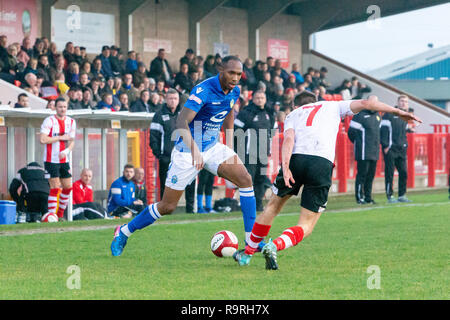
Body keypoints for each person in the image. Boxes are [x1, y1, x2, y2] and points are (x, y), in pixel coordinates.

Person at [233, 91, 421, 270]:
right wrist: (398, 111)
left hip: (296, 159)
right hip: (321, 163)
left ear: (295, 104)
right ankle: (275, 245)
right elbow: (366, 103)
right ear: (315, 100)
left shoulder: (293, 114)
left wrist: (286, 166)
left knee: (272, 207)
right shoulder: (333, 106)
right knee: (306, 224)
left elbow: (288, 139)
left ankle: (247, 254)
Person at [111, 55, 259, 256]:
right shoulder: (203, 91)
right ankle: (123, 231)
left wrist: (230, 146)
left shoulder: (235, 90)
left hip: (213, 147)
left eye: (238, 74)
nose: (235, 78)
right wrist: (195, 152)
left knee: (245, 179)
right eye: (231, 73)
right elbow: (181, 123)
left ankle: (251, 242)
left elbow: (229, 112)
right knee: (168, 206)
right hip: (187, 151)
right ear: (220, 69)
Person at [149, 89, 195, 210]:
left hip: (185, 156)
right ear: (166, 99)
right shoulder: (159, 115)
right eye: (170, 98)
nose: (173, 101)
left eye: (175, 98)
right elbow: (153, 137)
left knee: (190, 181)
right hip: (167, 158)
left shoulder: (185, 114)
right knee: (166, 185)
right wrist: (160, 155)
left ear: (178, 100)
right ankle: (164, 210)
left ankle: (190, 209)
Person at [234, 90, 277, 212]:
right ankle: (246, 205)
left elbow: (272, 132)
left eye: (262, 98)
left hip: (263, 153)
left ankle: (258, 205)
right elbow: (236, 132)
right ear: (253, 99)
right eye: (257, 98)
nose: (260, 100)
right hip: (249, 153)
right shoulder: (246, 113)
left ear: (265, 99)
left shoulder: (269, 113)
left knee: (261, 179)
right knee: (248, 180)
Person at [39, 98, 76, 221]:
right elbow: (43, 139)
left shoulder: (71, 122)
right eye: (60, 107)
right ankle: (52, 216)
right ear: (55, 107)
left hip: (64, 160)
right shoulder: (49, 121)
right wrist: (60, 138)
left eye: (64, 107)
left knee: (68, 187)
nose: (62, 109)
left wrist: (66, 151)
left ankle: (60, 214)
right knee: (55, 188)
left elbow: (71, 141)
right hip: (51, 160)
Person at [348, 96, 381, 204]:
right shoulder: (360, 116)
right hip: (363, 151)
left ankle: (368, 197)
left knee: (370, 176)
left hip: (374, 151)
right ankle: (359, 197)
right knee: (362, 175)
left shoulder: (377, 116)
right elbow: (351, 133)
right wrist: (359, 143)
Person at [380, 95, 412, 203]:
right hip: (390, 149)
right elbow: (383, 130)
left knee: (404, 172)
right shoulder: (389, 114)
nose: (404, 103)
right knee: (389, 173)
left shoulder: (405, 116)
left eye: (406, 102)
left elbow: (405, 131)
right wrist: (385, 146)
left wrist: (405, 144)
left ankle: (402, 195)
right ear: (398, 102)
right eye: (402, 101)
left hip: (401, 149)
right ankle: (390, 196)